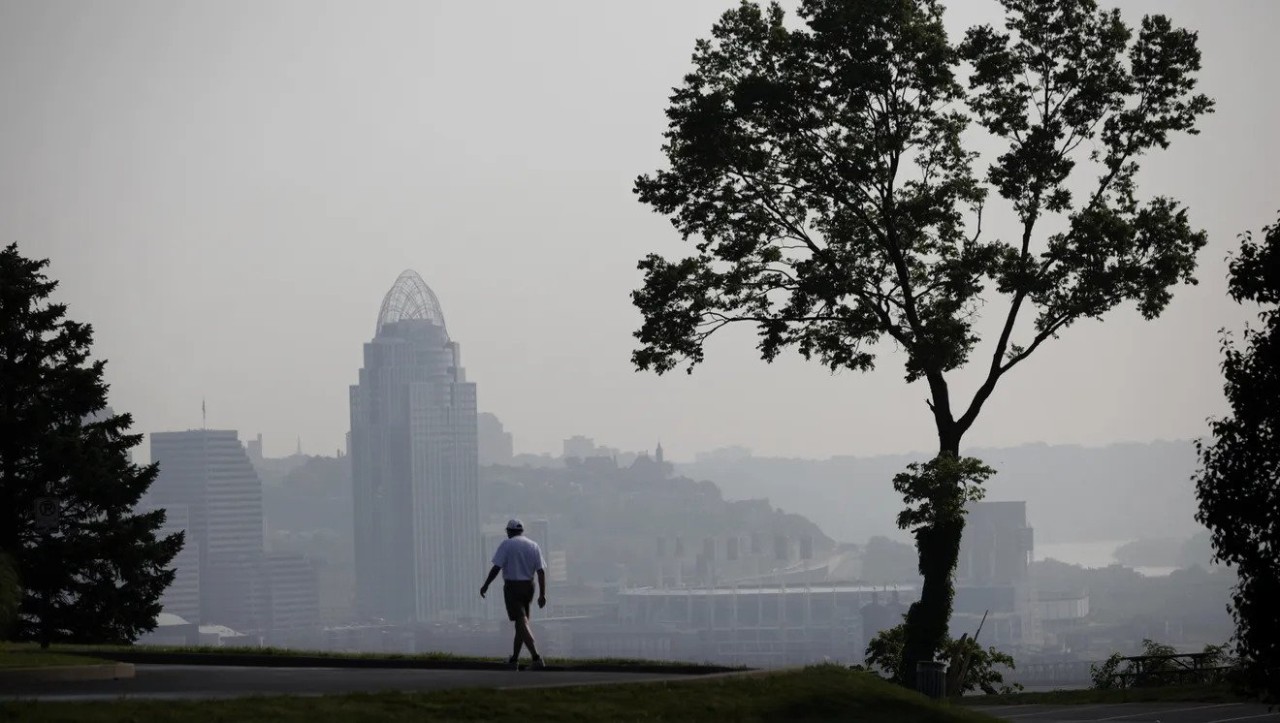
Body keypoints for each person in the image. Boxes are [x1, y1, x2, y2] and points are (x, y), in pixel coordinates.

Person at [480, 518, 547, 670]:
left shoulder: (507, 544)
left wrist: (486, 585)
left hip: (512, 587)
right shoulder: (533, 545)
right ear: (522, 531)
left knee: (521, 621)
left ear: (509, 531)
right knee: (520, 624)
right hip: (529, 586)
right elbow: (541, 571)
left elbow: (496, 567)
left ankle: (536, 658)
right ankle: (514, 659)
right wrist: (542, 594)